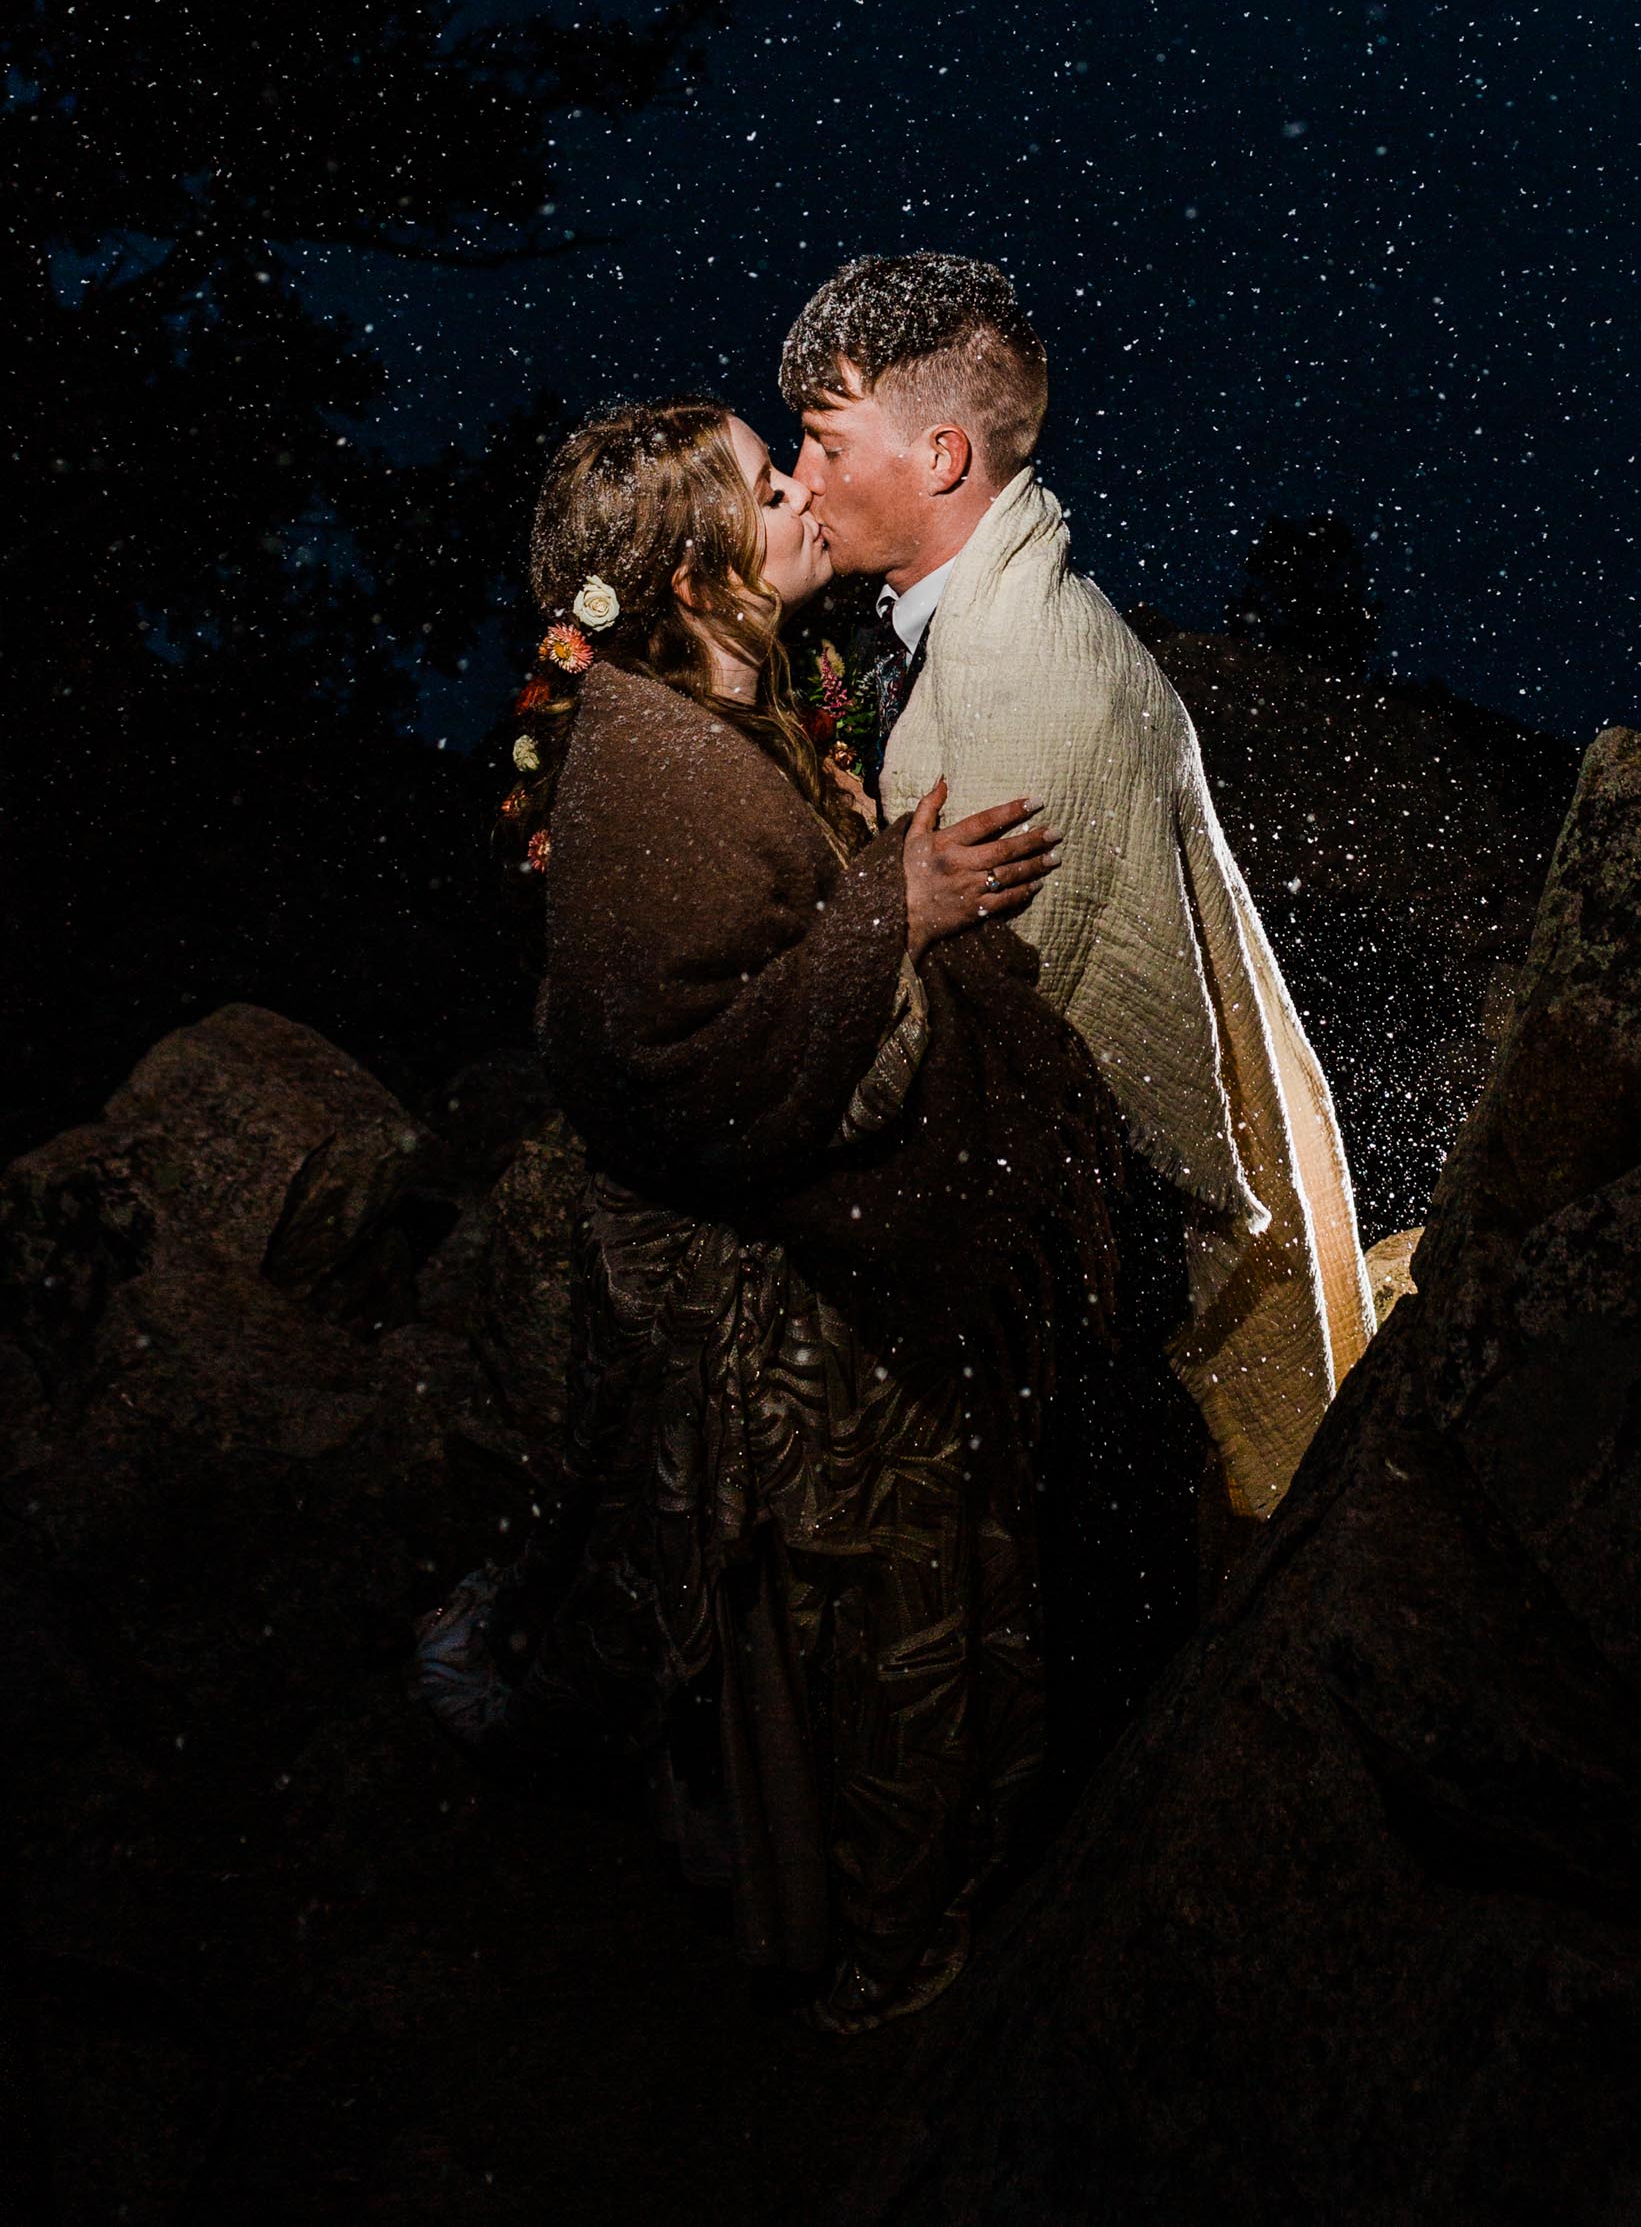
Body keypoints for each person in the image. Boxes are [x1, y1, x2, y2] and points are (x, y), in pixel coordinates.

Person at [417, 396, 1171, 2032]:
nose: (807, 492)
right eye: (771, 488)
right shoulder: (660, 775)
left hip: (804, 1286)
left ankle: (817, 1891)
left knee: (824, 1650)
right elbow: (687, 1071)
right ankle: (879, 1986)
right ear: (695, 582)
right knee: (855, 1648)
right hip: (791, 1333)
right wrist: (894, 918)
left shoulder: (735, 705)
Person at [780, 253, 1376, 1530]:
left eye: (822, 439)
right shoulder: (1009, 613)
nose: (800, 478)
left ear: (941, 456)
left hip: (1095, 1316)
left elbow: (985, 1077)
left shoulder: (1015, 686)